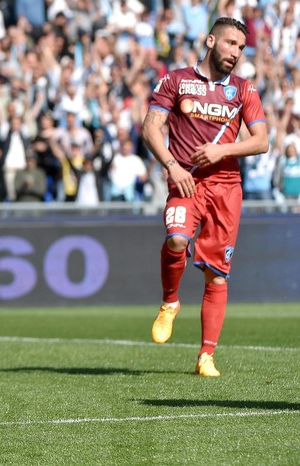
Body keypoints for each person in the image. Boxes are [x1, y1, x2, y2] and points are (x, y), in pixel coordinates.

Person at [141, 17, 269, 377]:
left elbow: (261, 141)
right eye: (230, 43)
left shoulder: (244, 89)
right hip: (187, 183)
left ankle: (206, 356)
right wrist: (171, 165)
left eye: (241, 48)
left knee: (216, 276)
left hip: (226, 188)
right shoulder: (176, 80)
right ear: (210, 40)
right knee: (177, 240)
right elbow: (150, 127)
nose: (235, 53)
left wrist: (223, 150)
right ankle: (170, 303)